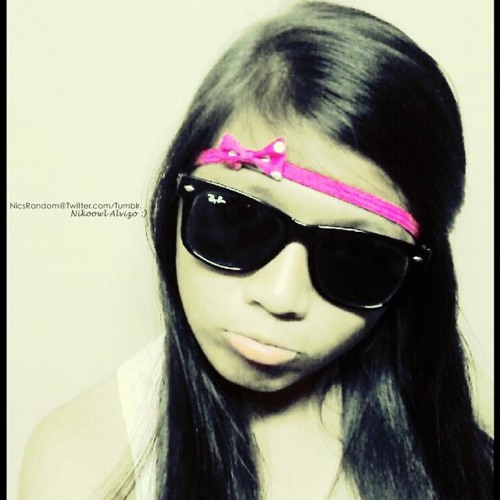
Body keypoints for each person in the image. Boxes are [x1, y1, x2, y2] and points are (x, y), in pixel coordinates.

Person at [19, 1, 493, 499]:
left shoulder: (469, 444)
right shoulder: (78, 469)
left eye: (356, 257)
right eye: (240, 219)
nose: (280, 296)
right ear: (175, 200)